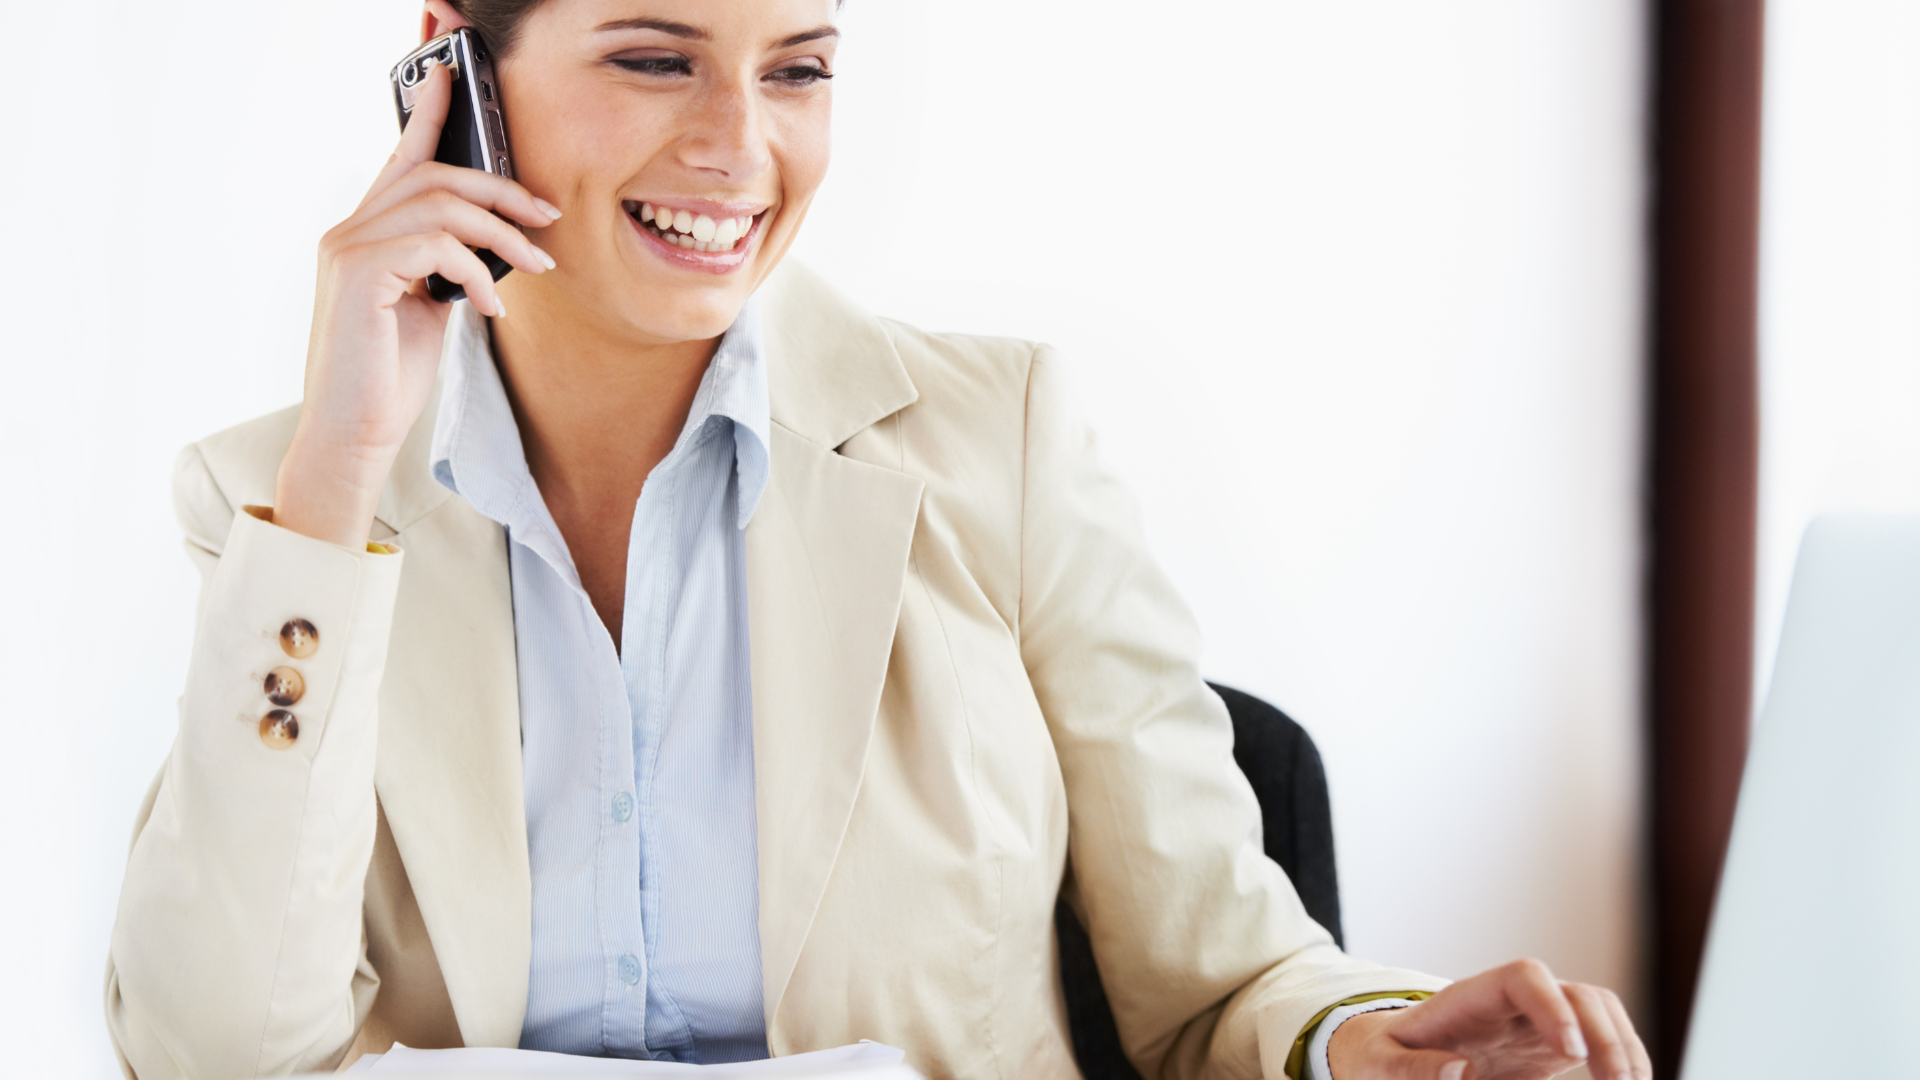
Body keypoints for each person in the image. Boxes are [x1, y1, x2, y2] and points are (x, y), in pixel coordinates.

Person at [104, 2, 1652, 1079]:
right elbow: (214, 1055)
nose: (736, 147)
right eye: (655, 59)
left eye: (797, 71)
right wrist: (345, 464)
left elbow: (1224, 988)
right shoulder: (290, 502)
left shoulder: (999, 439)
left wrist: (1368, 1044)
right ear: (454, 63)